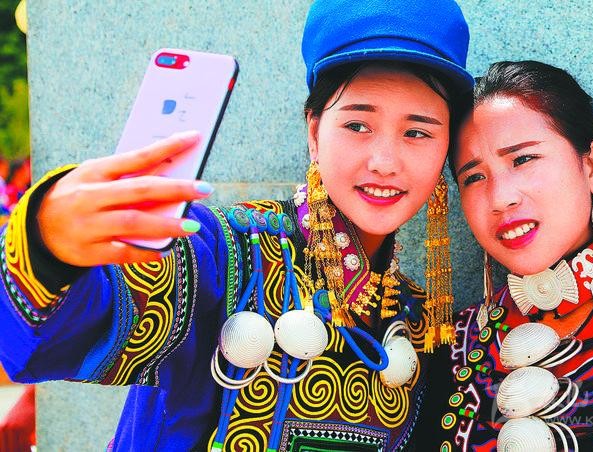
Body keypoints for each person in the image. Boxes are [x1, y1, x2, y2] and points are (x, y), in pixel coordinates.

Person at [0, 0, 474, 450]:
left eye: (417, 132)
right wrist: (48, 245)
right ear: (314, 131)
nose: (385, 162)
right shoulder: (224, 253)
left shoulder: (420, 323)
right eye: (357, 125)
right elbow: (62, 329)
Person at [417, 61, 593, 451]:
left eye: (523, 159)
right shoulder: (450, 347)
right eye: (474, 177)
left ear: (591, 166)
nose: (500, 198)